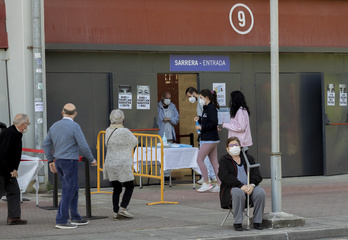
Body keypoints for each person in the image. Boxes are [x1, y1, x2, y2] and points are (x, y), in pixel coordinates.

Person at [43, 103, 97, 229]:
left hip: (58, 161)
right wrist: (91, 159)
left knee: (73, 188)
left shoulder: (54, 126)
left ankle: (75, 216)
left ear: (62, 112)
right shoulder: (74, 126)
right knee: (68, 190)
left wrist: (51, 160)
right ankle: (61, 219)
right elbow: (83, 146)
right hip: (70, 161)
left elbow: (46, 144)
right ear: (75, 114)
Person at [218, 137, 265, 231]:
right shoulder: (224, 160)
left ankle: (257, 221)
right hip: (232, 188)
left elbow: (257, 174)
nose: (234, 147)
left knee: (260, 192)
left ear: (240, 147)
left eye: (236, 145)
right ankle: (238, 222)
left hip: (249, 187)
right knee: (238, 193)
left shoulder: (248, 158)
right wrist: (240, 186)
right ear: (227, 148)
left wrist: (252, 185)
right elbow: (224, 176)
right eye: (231, 145)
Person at [103, 109, 137, 220]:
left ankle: (115, 210)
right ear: (122, 119)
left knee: (116, 188)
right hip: (122, 163)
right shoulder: (125, 131)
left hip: (110, 162)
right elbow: (134, 142)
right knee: (129, 185)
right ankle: (123, 208)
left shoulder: (107, 130)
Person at [0, 114, 30, 225]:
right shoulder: (11, 133)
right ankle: (14, 216)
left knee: (14, 191)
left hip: (8, 171)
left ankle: (14, 217)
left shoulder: (16, 133)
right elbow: (3, 153)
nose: (28, 126)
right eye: (28, 124)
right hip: (3, 171)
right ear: (23, 124)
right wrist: (11, 169)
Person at [185, 87, 217, 184]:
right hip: (209, 135)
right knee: (212, 160)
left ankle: (206, 178)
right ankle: (213, 177)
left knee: (202, 158)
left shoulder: (204, 104)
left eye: (189, 96)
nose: (189, 99)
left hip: (207, 135)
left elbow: (209, 120)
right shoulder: (208, 106)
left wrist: (201, 127)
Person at [194, 89, 221, 192]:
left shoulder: (211, 108)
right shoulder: (206, 108)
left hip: (209, 139)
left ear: (206, 97)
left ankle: (206, 182)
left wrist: (201, 127)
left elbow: (213, 123)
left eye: (200, 97)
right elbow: (207, 120)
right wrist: (199, 119)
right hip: (211, 139)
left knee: (199, 160)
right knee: (214, 162)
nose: (200, 100)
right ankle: (220, 183)